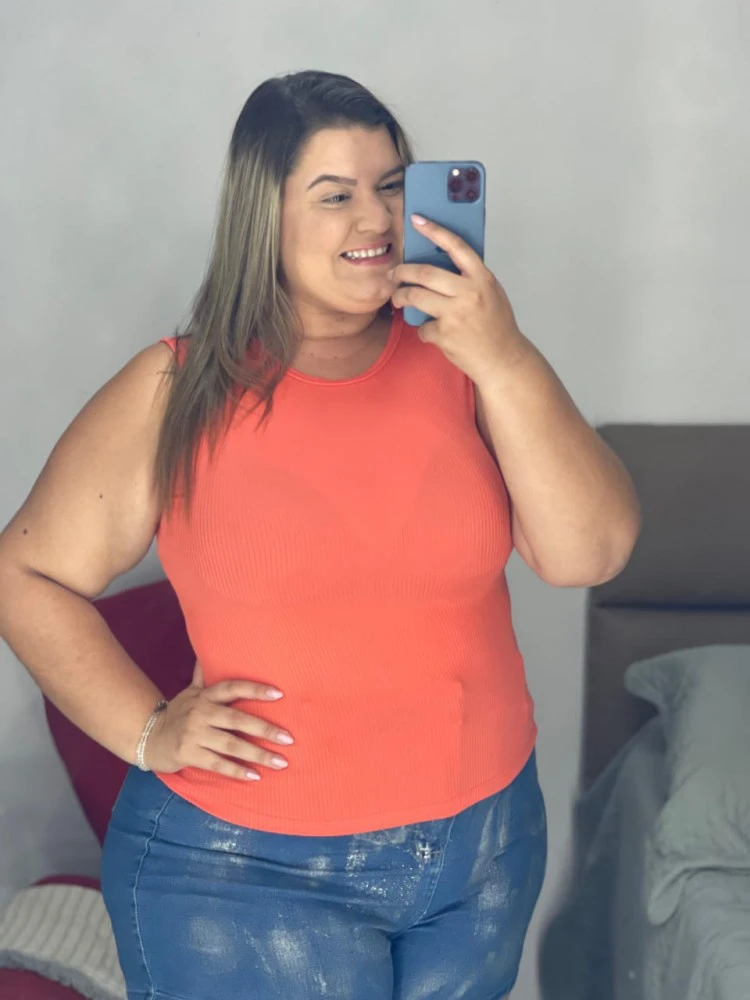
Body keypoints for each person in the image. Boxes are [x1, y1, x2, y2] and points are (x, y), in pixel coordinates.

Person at [0, 70, 640, 999]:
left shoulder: (470, 362)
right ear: (263, 219)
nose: (375, 217)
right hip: (245, 874)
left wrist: (506, 356)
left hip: (482, 857)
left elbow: (591, 552)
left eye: (392, 185)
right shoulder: (177, 390)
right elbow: (23, 574)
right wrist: (147, 730)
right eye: (334, 194)